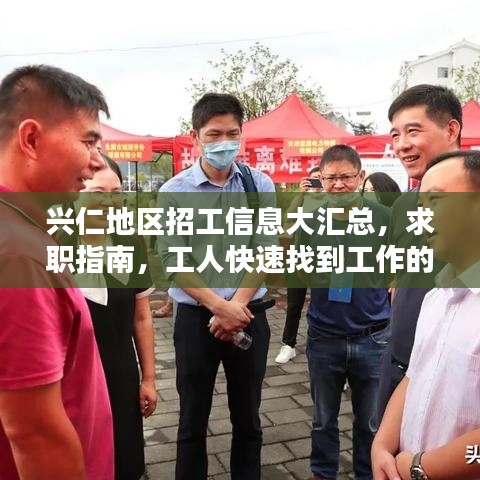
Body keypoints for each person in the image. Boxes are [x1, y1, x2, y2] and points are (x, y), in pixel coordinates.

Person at [0, 65, 114, 479]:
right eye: (88, 142)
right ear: (31, 139)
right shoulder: (19, 254)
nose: (96, 162)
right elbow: (35, 435)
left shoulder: (25, 233)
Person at [157, 93, 276, 480]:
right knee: (192, 419)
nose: (224, 142)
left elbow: (266, 250)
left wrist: (235, 308)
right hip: (196, 319)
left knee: (248, 418)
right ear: (195, 137)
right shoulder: (174, 192)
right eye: (214, 134)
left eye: (232, 133)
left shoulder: (259, 185)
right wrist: (218, 307)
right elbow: (174, 261)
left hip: (248, 315)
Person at [372, 150, 480, 480]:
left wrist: (422, 466)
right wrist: (381, 445)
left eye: (435, 200)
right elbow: (414, 375)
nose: (422, 216)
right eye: (419, 206)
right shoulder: (436, 297)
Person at [296, 144, 391, 480]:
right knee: (323, 418)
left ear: (360, 176)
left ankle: (367, 472)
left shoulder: (383, 217)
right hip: (325, 335)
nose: (338, 185)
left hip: (373, 336)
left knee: (371, 420)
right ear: (320, 179)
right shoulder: (310, 220)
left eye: (346, 177)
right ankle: (323, 472)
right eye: (330, 178)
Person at [376, 84, 462, 422]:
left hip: (455, 378)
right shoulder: (404, 205)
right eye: (395, 135)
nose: (402, 145)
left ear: (451, 130)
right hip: (398, 362)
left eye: (413, 131)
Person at [71, 155, 158, 480]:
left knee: (124, 460)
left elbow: (141, 318)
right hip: (70, 380)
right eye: (97, 193)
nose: (108, 203)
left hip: (120, 375)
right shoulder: (53, 245)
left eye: (116, 194)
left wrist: (148, 379)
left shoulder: (129, 243)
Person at [275, 167, 324, 364]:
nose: (317, 183)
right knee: (294, 304)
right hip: (300, 258)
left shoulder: (333, 200)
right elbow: (289, 218)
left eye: (321, 179)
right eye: (313, 179)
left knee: (322, 304)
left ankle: (320, 343)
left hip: (324, 260)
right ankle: (288, 344)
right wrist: (302, 195)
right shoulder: (302, 200)